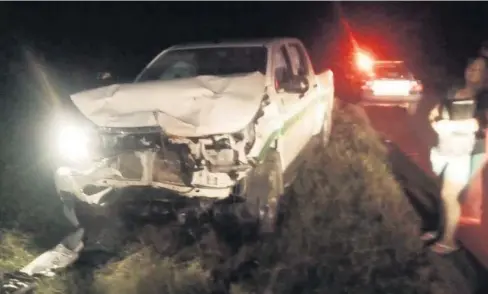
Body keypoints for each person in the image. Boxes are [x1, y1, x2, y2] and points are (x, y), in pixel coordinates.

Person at [424, 46, 488, 254]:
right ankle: (438, 230)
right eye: (471, 68)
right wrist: (435, 122)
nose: (472, 72)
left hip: (470, 152)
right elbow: (435, 111)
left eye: (479, 70)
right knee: (444, 192)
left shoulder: (484, 98)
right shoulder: (454, 90)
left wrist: (447, 126)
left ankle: (449, 240)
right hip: (445, 148)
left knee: (450, 194)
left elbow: (477, 123)